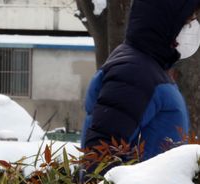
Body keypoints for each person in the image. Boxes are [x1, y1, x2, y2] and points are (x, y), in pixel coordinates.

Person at [82, 0, 200, 166]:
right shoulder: (134, 73)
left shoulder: (147, 67)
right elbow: (100, 155)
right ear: (166, 20)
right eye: (187, 21)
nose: (191, 28)